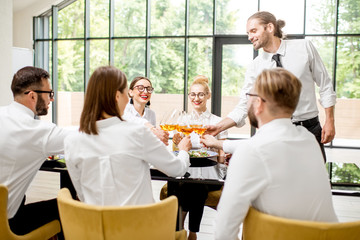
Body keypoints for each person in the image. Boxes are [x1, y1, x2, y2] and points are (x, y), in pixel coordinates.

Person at [201, 68, 338, 240]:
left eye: (248, 96)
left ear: (258, 104)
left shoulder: (252, 152)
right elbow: (267, 148)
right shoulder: (309, 140)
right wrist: (226, 146)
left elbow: (223, 232)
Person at [206, 11, 336, 161]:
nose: (250, 37)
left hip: (310, 129)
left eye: (253, 31)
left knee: (312, 178)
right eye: (248, 33)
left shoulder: (304, 47)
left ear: (269, 27)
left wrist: (330, 121)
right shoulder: (255, 66)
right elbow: (244, 105)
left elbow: (325, 84)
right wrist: (219, 127)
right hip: (274, 132)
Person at [64, 66, 192, 206]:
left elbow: (82, 194)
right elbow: (176, 169)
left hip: (95, 224)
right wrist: (184, 150)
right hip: (137, 224)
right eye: (126, 92)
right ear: (117, 96)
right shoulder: (137, 133)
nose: (127, 99)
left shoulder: (72, 140)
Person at [0, 66, 70, 238]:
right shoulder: (37, 131)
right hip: (6, 225)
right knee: (70, 207)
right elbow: (84, 139)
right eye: (49, 93)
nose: (51, 99)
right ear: (32, 95)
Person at [172, 75, 228, 240]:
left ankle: (186, 231)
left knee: (195, 184)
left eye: (201, 94)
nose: (196, 98)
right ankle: (188, 232)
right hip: (186, 171)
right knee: (181, 184)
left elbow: (222, 154)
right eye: (193, 94)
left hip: (210, 173)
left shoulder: (217, 122)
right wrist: (176, 143)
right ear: (189, 96)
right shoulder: (181, 122)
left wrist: (222, 171)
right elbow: (177, 151)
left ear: (208, 96)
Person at [122, 76, 169, 145]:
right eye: (140, 88)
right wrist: (151, 129)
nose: (145, 91)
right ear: (131, 92)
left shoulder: (151, 114)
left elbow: (150, 140)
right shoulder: (124, 109)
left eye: (149, 89)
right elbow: (132, 120)